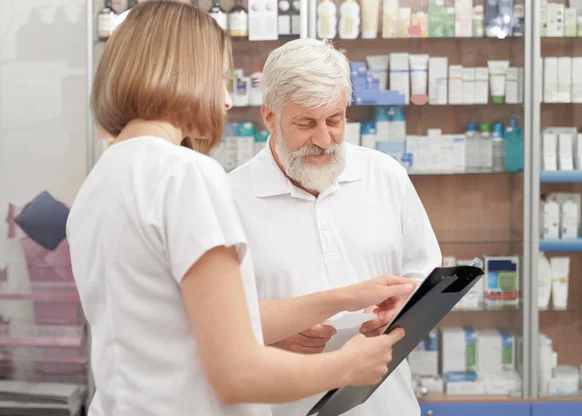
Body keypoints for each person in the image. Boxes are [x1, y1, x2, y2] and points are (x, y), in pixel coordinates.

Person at [66, 3, 414, 416]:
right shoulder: (186, 175)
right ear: (184, 76)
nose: (227, 101)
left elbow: (201, 321)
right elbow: (237, 374)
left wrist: (346, 296)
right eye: (220, 79)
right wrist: (348, 366)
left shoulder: (100, 181)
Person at [228, 38, 442, 416]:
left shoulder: (385, 175)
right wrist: (271, 341)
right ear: (269, 117)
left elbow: (425, 275)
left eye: (335, 120)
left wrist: (401, 313)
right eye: (306, 123)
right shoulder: (229, 198)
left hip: (386, 404)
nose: (324, 140)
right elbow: (216, 325)